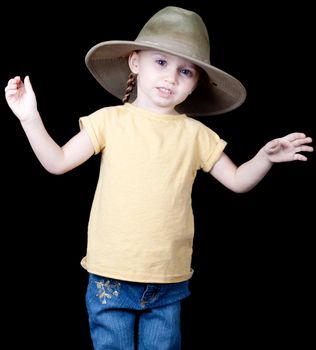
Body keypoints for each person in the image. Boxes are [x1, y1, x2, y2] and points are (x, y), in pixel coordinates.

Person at [4, 6, 313, 350]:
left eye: (185, 71)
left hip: (168, 278)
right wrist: (29, 118)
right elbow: (57, 161)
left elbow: (238, 180)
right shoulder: (109, 120)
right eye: (161, 63)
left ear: (196, 83)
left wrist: (264, 157)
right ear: (135, 62)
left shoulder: (196, 134)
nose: (171, 78)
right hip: (112, 275)